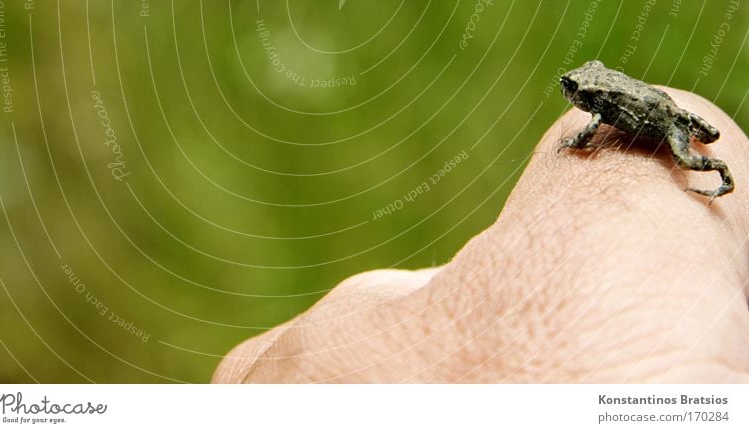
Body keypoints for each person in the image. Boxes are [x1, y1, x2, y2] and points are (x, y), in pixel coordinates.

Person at [212, 89, 749, 383]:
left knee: (685, 159)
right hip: (663, 105)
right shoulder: (600, 105)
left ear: (590, 94)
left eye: (579, 89)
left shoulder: (600, 108)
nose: (574, 92)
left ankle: (719, 179)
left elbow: (592, 130)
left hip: (665, 117)